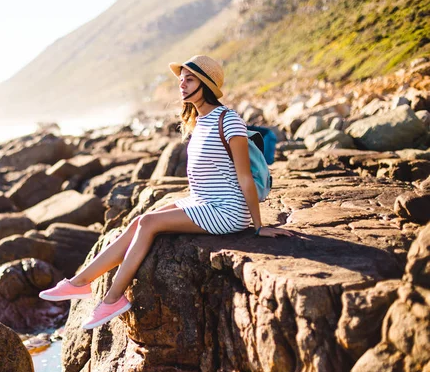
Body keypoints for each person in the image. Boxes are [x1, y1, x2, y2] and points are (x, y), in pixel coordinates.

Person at [39, 55, 293, 330]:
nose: (182, 84)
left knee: (148, 224)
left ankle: (113, 299)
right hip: (203, 201)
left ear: (206, 83)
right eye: (181, 79)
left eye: (190, 79)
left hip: (228, 210)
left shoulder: (229, 120)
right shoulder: (200, 120)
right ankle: (80, 283)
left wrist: (258, 227)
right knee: (139, 221)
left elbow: (244, 176)